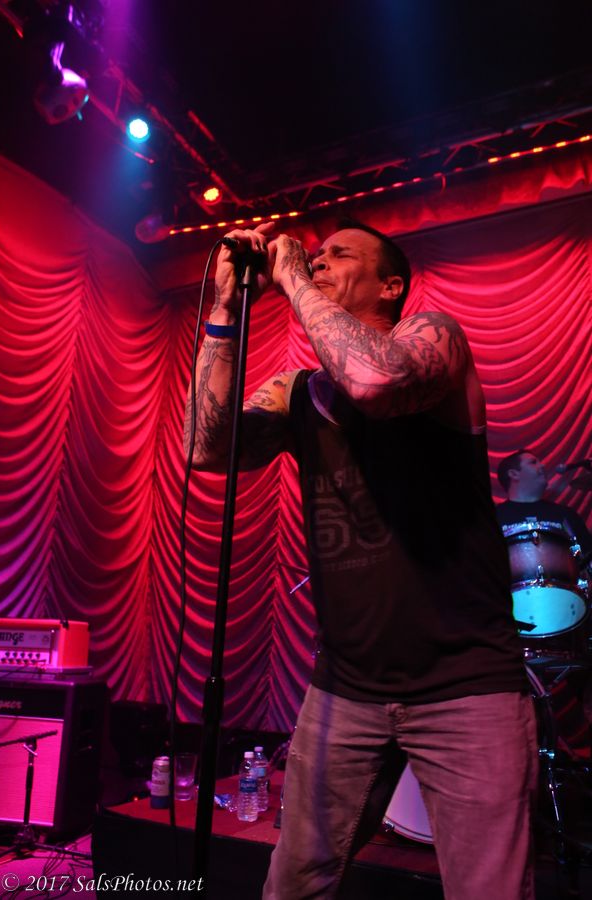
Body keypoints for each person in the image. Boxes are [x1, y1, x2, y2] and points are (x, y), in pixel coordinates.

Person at [184, 219, 538, 899]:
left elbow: (377, 382)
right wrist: (225, 311)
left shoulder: (435, 339)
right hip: (345, 687)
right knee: (294, 885)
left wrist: (292, 277)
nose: (318, 261)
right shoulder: (297, 390)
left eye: (337, 255)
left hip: (467, 685)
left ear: (391, 286)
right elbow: (207, 449)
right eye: (314, 256)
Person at [496, 449, 592, 757]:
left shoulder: (565, 516)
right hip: (511, 623)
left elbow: (586, 564)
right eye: (533, 462)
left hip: (569, 618)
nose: (543, 466)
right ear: (513, 474)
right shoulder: (493, 517)